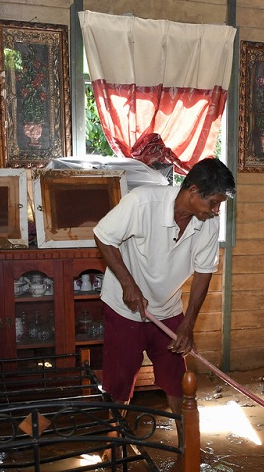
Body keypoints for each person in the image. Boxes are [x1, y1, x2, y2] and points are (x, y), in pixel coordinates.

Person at [93, 157, 235, 417]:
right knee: (120, 382)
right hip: (125, 309)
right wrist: (128, 284)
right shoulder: (143, 202)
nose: (215, 211)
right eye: (213, 203)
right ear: (193, 191)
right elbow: (103, 236)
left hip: (168, 309)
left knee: (177, 381)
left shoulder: (209, 224)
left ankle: (186, 442)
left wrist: (188, 324)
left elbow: (204, 273)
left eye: (219, 205)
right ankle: (115, 440)